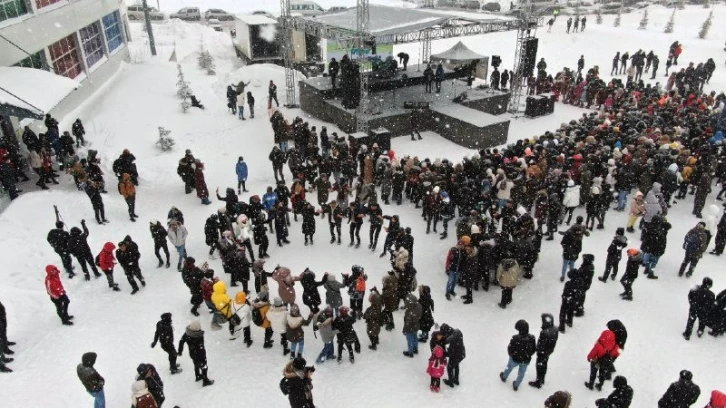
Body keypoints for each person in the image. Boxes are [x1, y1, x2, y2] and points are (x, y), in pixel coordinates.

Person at [499, 320, 536, 391]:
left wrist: (512, 355)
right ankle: (516, 385)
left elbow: (510, 349)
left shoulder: (515, 338)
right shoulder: (532, 338)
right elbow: (533, 349)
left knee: (509, 367)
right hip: (525, 360)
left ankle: (504, 376)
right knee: (521, 373)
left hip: (514, 359)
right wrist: (527, 355)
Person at [177, 320, 214, 386]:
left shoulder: (187, 333)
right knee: (204, 366)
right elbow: (200, 346)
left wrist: (180, 351)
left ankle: (197, 376)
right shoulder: (198, 335)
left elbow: (181, 341)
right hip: (200, 354)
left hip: (192, 353)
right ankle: (205, 381)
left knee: (196, 364)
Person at [529, 313, 558, 389]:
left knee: (539, 366)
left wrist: (537, 349)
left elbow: (541, 345)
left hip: (542, 353)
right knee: (544, 365)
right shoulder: (555, 329)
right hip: (548, 351)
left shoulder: (544, 333)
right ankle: (542, 379)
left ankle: (538, 382)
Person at [440, 323, 465, 388]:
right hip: (461, 353)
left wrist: (444, 353)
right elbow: (448, 338)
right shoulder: (456, 332)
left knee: (450, 367)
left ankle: (450, 382)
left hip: (456, 354)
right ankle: (456, 380)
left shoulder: (452, 338)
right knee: (456, 365)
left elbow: (451, 353)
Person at [402, 293, 422, 357]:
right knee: (415, 338)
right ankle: (415, 349)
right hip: (416, 326)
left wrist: (404, 330)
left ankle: (410, 353)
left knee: (409, 340)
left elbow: (407, 323)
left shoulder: (409, 312)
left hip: (409, 328)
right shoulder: (419, 306)